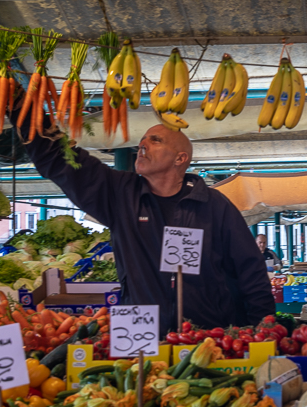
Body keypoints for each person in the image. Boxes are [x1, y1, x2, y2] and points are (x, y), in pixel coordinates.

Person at [14, 107, 274, 336]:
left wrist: (261, 329)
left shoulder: (214, 205)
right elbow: (62, 162)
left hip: (207, 335)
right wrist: (22, 110)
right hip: (138, 335)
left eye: (155, 140)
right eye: (142, 140)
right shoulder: (121, 196)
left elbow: (250, 271)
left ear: (180, 158)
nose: (143, 145)